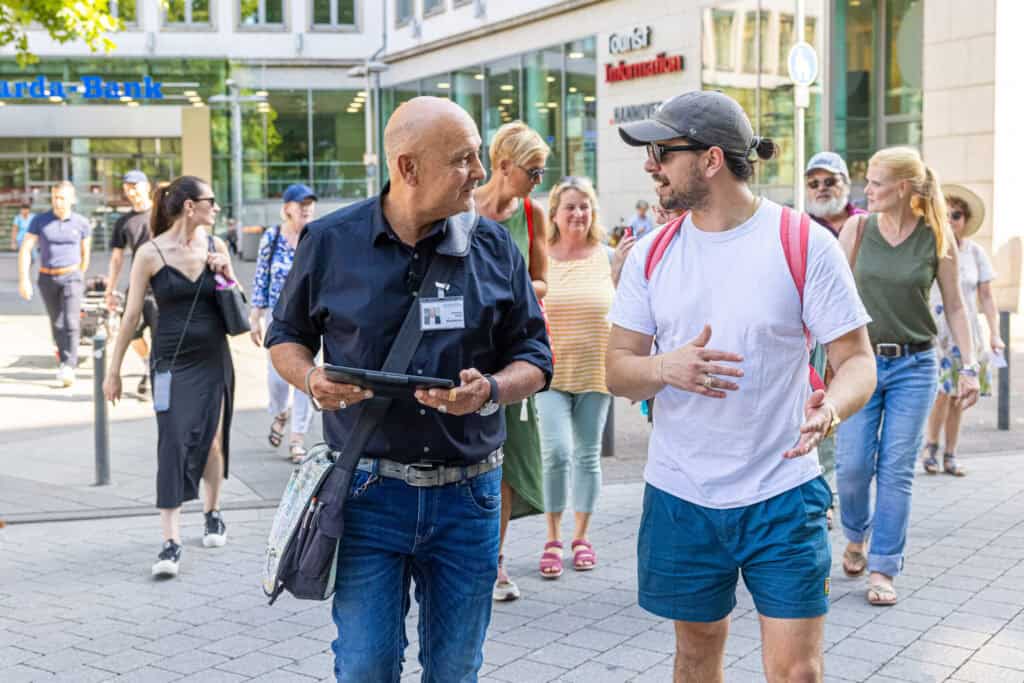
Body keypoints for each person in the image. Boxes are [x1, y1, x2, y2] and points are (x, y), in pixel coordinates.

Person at [265, 96, 552, 682]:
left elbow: (537, 358)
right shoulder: (329, 241)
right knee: (366, 666)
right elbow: (286, 337)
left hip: (470, 499)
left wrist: (491, 389)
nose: (479, 172)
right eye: (464, 159)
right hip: (368, 494)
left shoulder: (494, 246)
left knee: (454, 669)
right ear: (408, 168)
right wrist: (311, 378)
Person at [606, 90, 876, 682]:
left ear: (710, 160)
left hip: (783, 491)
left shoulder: (803, 242)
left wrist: (830, 407)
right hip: (682, 495)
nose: (651, 165)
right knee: (697, 654)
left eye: (661, 151)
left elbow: (857, 360)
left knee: (797, 671)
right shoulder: (652, 256)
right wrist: (664, 368)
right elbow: (617, 369)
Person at [835, 147, 981, 606]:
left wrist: (970, 365)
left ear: (902, 188)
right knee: (853, 465)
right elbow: (830, 293)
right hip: (858, 363)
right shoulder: (857, 229)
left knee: (896, 470)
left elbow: (956, 307)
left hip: (915, 365)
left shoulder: (937, 236)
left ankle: (883, 566)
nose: (867, 189)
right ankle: (856, 533)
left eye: (876, 182)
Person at [103, 176, 237, 578]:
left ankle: (213, 513)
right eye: (210, 201)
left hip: (214, 357)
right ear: (189, 207)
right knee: (173, 442)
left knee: (213, 441)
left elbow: (237, 304)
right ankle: (171, 541)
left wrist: (227, 272)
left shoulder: (218, 247)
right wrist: (113, 371)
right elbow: (130, 317)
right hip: (170, 363)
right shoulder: (149, 253)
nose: (216, 207)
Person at [472, 120, 550, 602]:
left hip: (513, 355)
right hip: (466, 351)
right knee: (468, 454)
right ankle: (463, 557)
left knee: (506, 460)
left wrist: (508, 292)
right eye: (533, 171)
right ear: (504, 166)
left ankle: (494, 563)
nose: (538, 180)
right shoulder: (463, 208)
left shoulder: (532, 213)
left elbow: (543, 282)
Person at [536, 176, 615, 579]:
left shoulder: (608, 257)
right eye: (570, 206)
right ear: (555, 213)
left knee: (587, 456)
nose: (578, 213)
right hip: (549, 375)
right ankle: (552, 536)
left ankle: (581, 536)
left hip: (596, 373)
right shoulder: (541, 257)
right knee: (557, 452)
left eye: (585, 206)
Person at [922, 185, 1002, 476]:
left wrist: (995, 333)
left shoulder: (975, 253)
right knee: (941, 393)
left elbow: (987, 297)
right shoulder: (931, 246)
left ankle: (951, 453)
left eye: (956, 215)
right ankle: (930, 447)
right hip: (937, 332)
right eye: (946, 214)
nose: (951, 220)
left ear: (965, 219)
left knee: (959, 396)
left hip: (965, 333)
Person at [249, 183, 319, 463]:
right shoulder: (273, 236)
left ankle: (297, 438)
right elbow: (261, 276)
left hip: (310, 317)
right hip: (278, 317)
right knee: (277, 378)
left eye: (310, 203)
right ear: (287, 208)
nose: (306, 208)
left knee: (305, 376)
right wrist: (255, 315)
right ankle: (280, 412)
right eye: (300, 203)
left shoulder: (316, 236)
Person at [17, 182, 92, 388]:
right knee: (57, 322)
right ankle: (64, 360)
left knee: (71, 320)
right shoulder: (40, 221)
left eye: (62, 198)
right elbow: (26, 249)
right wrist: (24, 279)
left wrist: (78, 274)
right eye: (54, 197)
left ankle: (69, 365)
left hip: (72, 276)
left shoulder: (81, 223)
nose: (57, 202)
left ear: (72, 199)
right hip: (47, 278)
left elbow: (86, 253)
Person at [105, 170, 158, 399]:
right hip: (137, 287)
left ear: (146, 186)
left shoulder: (162, 214)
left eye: (135, 186)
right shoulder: (123, 222)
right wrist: (109, 290)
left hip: (162, 287)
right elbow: (117, 258)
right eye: (127, 187)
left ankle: (155, 376)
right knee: (132, 334)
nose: (131, 191)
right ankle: (147, 363)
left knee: (161, 335)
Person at [805, 152, 867, 237]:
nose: (821, 188)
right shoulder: (801, 229)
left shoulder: (866, 223)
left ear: (847, 185)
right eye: (813, 184)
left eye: (829, 182)